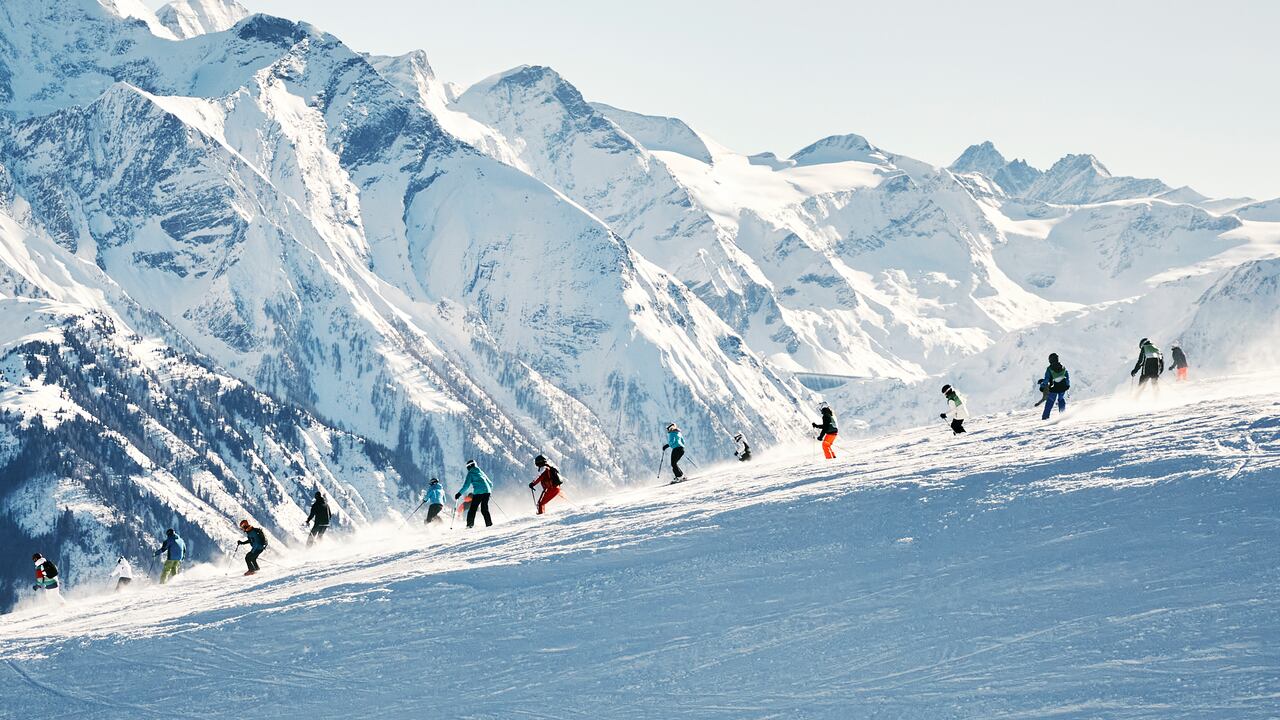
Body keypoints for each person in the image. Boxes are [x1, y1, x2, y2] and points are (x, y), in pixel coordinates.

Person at [455, 460, 493, 528]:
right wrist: (488, 492)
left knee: (473, 509)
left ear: (469, 466)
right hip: (487, 491)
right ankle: (489, 524)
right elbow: (490, 484)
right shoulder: (481, 472)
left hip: (478, 492)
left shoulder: (470, 473)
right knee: (484, 509)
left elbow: (466, 486)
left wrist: (459, 493)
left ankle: (469, 525)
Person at [1041, 353, 1070, 420]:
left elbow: (1046, 379)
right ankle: (1062, 416)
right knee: (1061, 400)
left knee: (1050, 401)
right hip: (1063, 387)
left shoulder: (1049, 369)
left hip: (1054, 388)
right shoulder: (1062, 367)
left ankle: (1045, 417)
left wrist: (1042, 386)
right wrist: (1068, 385)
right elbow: (1067, 376)